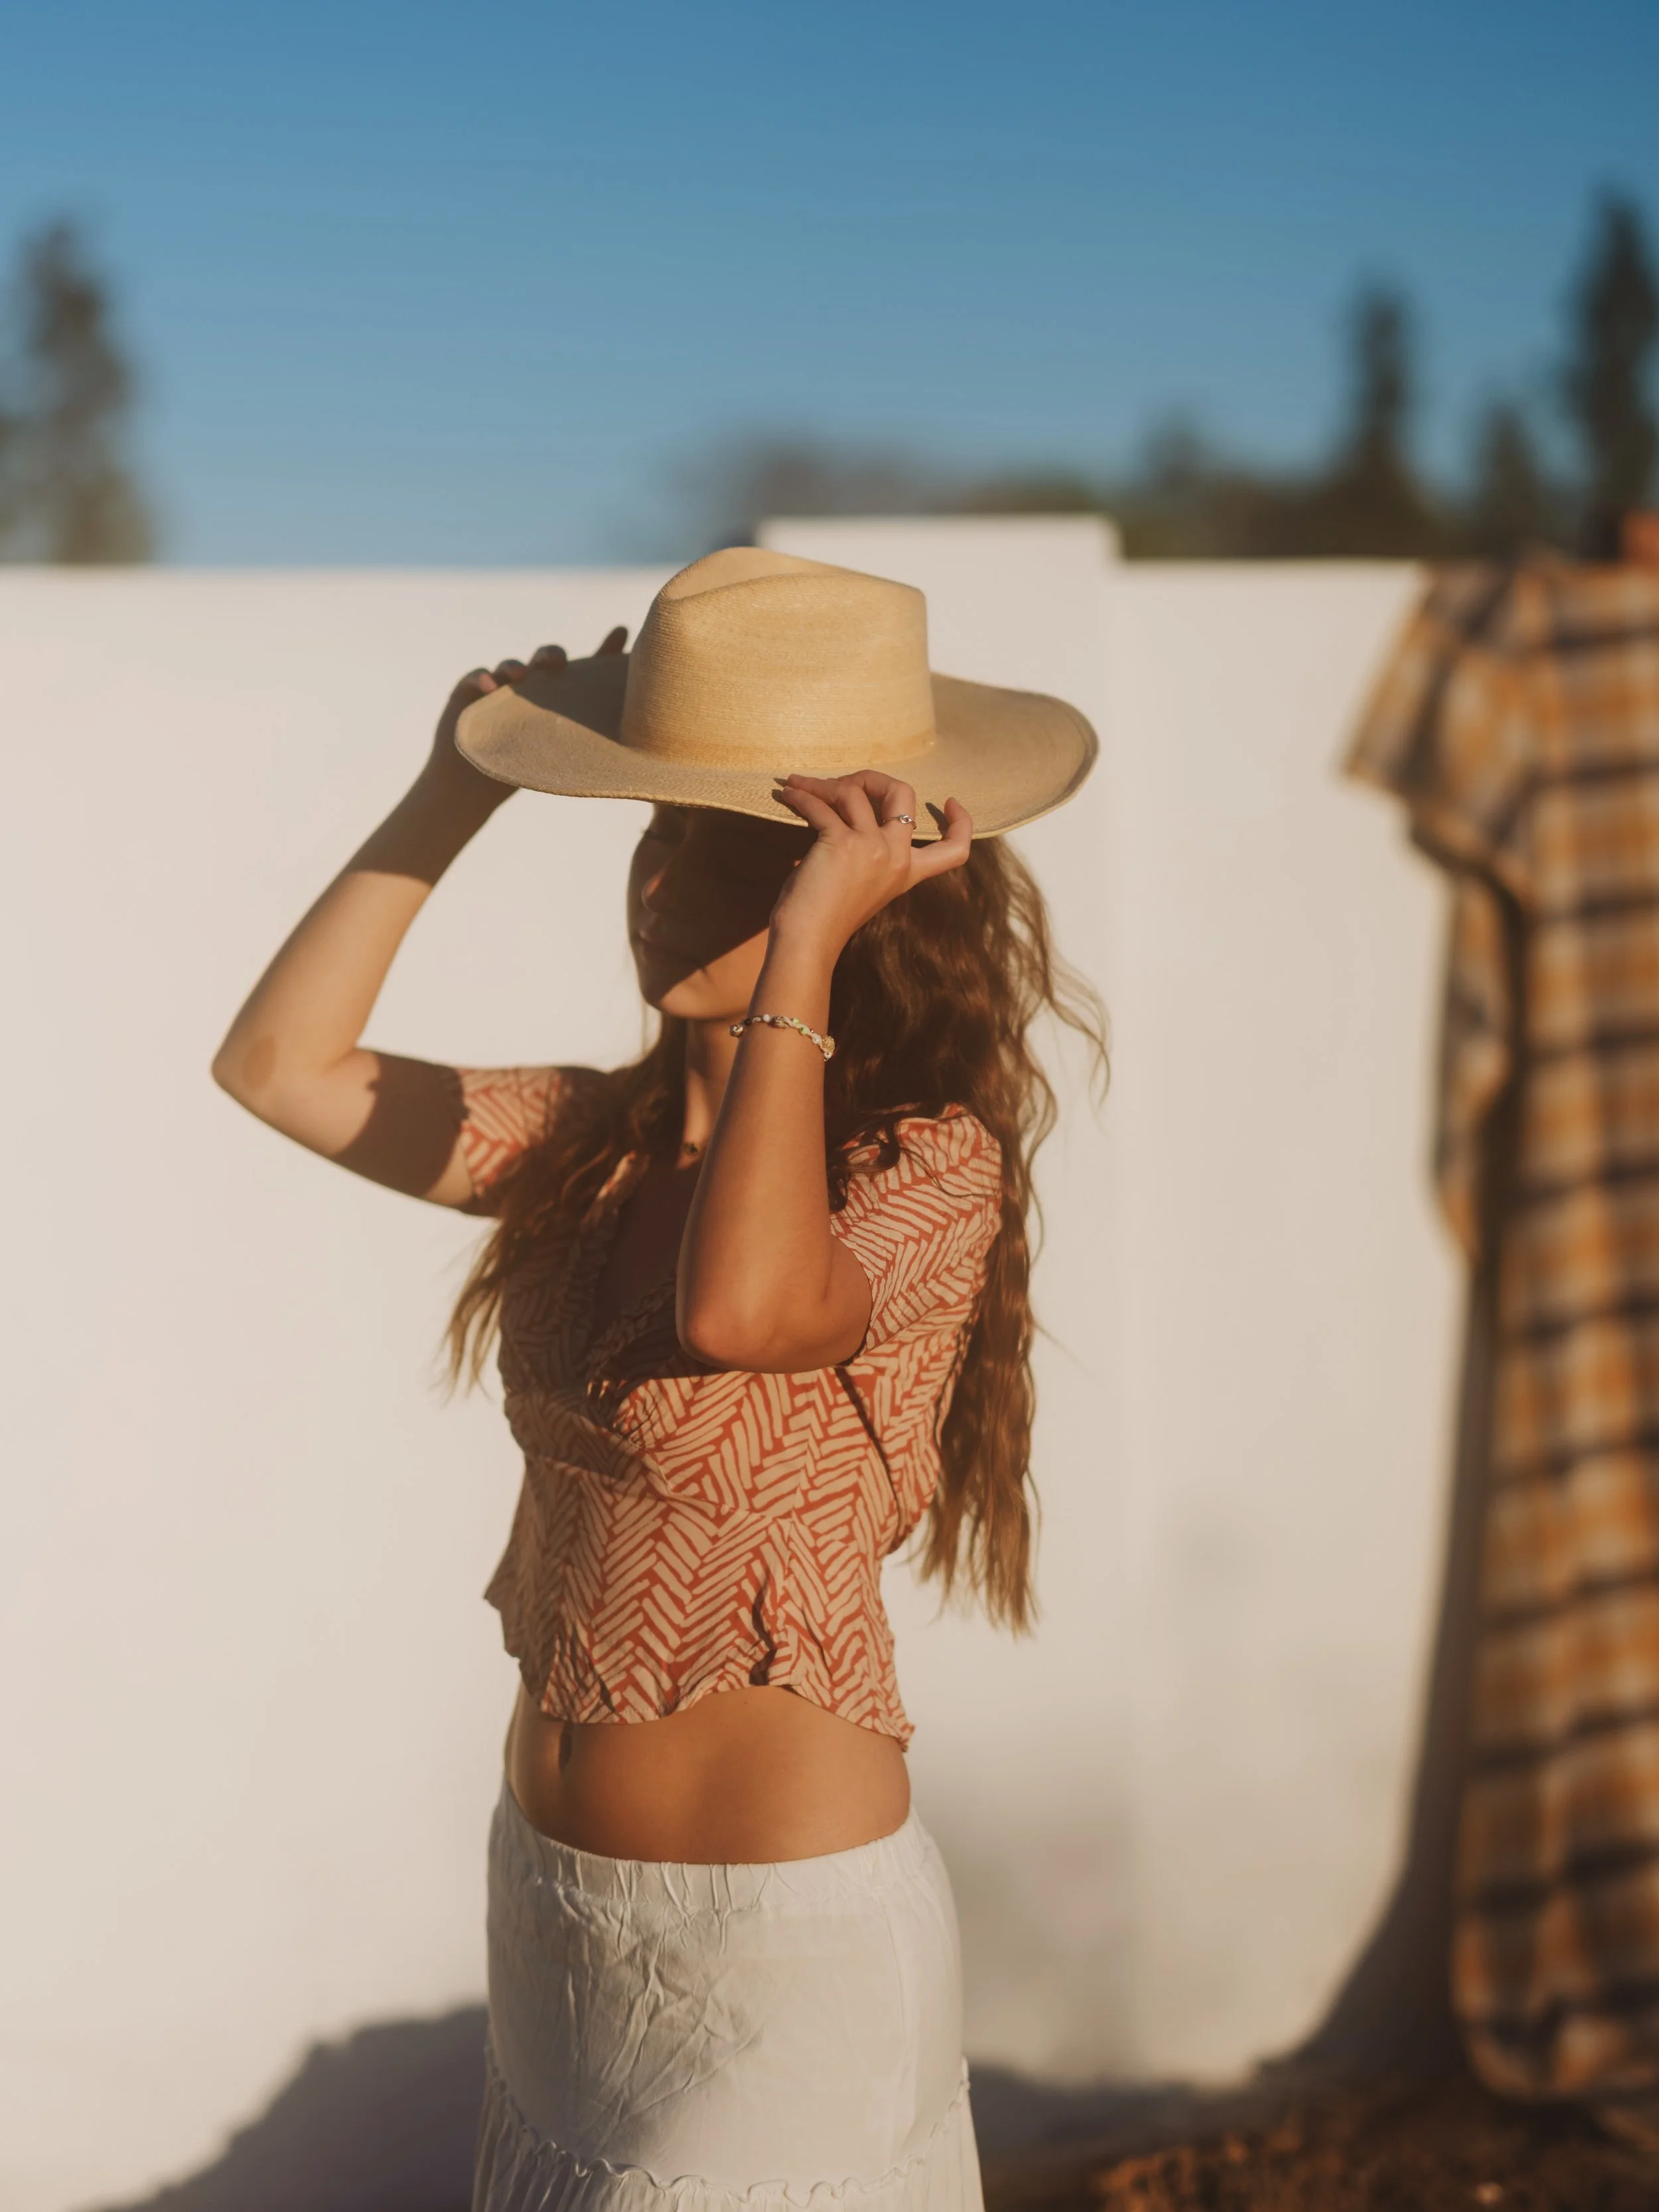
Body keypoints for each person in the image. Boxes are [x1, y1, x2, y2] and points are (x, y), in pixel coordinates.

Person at [211, 548, 1104, 2211]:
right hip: (557, 1923)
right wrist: (451, 788)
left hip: (787, 1958)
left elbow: (747, 1307)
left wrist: (805, 952)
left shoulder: (920, 1165)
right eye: (654, 832)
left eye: (727, 850)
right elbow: (279, 1068)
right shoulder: (579, 1147)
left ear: (847, 891)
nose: (658, 882)